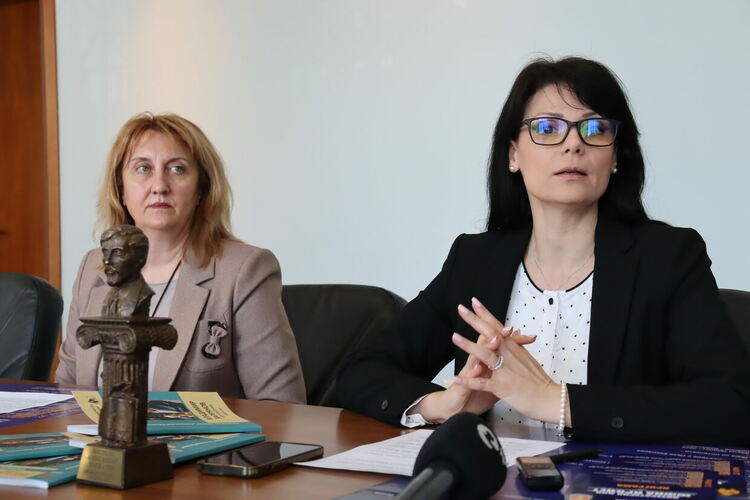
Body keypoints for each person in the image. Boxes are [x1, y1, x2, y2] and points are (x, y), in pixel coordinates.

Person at [337, 57, 750, 445]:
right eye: (548, 128)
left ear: (615, 157)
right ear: (513, 154)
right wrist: (443, 404)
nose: (573, 145)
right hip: (493, 481)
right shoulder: (475, 261)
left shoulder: (668, 258)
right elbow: (360, 371)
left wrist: (557, 401)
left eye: (594, 129)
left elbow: (730, 403)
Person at [55, 112, 306, 403]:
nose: (159, 185)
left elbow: (282, 406)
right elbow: (64, 395)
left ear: (201, 189)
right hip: (99, 434)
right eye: (143, 168)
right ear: (121, 189)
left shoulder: (244, 271)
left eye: (177, 169)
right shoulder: (93, 267)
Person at [99, 224, 154, 318]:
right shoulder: (110, 296)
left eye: (118, 253)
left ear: (140, 259)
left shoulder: (141, 296)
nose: (107, 260)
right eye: (105, 252)